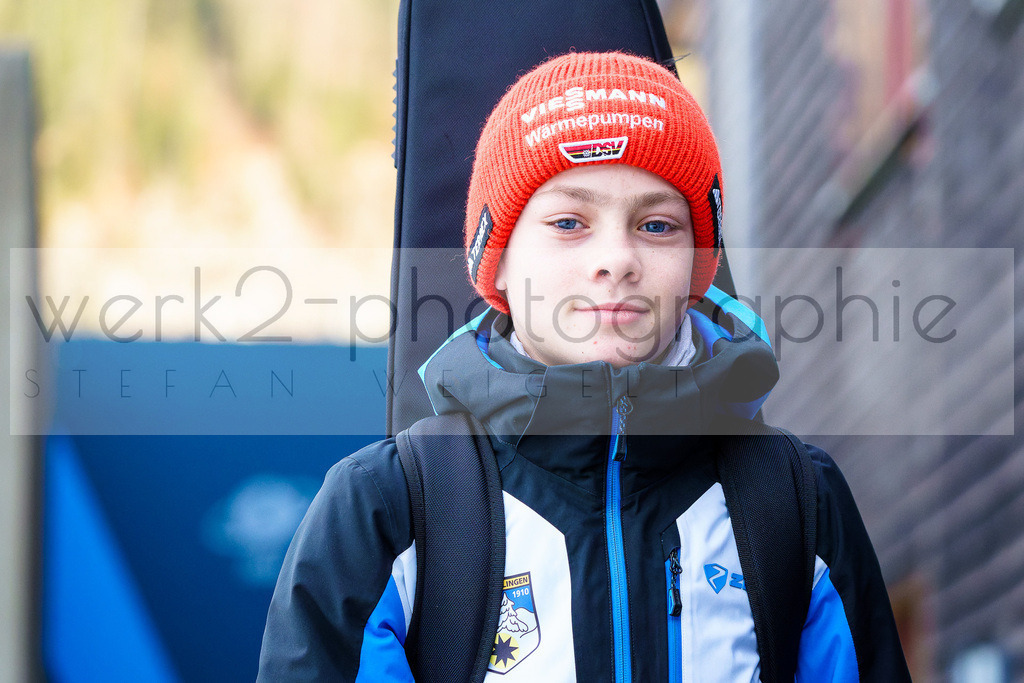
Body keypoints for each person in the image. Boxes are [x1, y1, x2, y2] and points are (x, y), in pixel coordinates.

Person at [258, 52, 910, 681]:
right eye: (570, 222)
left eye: (657, 225)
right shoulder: (389, 506)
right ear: (498, 259)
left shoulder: (795, 499)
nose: (616, 259)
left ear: (696, 265)